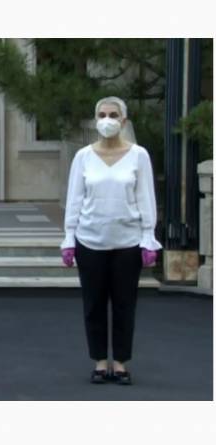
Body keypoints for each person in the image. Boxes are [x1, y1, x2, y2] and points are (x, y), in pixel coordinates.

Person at [61, 96, 162, 385]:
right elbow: (75, 199)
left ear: (124, 120)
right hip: (90, 240)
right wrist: (69, 238)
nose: (107, 120)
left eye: (113, 115)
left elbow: (145, 197)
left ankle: (119, 362)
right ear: (96, 120)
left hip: (127, 242)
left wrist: (148, 236)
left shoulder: (138, 155)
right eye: (102, 115)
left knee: (124, 304)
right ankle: (99, 361)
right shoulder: (83, 157)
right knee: (93, 304)